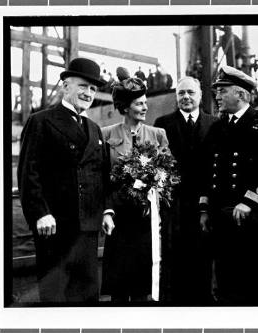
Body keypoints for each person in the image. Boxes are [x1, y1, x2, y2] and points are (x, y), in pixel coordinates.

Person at [17, 57, 114, 303]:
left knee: (87, 298)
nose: (88, 93)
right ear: (65, 85)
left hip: (89, 230)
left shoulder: (94, 129)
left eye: (93, 89)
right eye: (83, 86)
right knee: (56, 299)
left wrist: (107, 211)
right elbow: (29, 172)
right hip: (55, 228)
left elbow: (102, 175)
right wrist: (40, 212)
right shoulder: (41, 121)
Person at [199, 65, 258, 304]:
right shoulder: (217, 126)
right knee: (224, 281)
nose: (217, 96)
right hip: (219, 213)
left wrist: (249, 202)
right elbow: (208, 170)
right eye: (217, 91)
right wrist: (204, 209)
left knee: (249, 281)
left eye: (223, 91)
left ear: (242, 94)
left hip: (248, 214)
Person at [100, 77, 169, 303]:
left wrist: (156, 187)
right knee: (118, 288)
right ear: (125, 107)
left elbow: (168, 173)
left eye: (145, 102)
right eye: (139, 103)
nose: (145, 107)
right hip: (118, 219)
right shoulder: (106, 134)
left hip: (146, 218)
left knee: (141, 287)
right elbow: (100, 178)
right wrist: (107, 210)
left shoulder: (158, 134)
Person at [154, 76, 218, 304]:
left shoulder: (213, 124)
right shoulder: (162, 123)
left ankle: (203, 301)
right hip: (174, 203)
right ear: (176, 97)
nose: (186, 97)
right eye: (181, 93)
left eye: (190, 92)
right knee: (173, 255)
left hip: (204, 202)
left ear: (200, 96)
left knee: (203, 254)